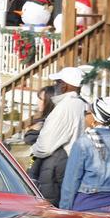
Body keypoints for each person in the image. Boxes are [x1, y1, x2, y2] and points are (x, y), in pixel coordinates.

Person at [59, 97, 110, 213]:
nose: (85, 116)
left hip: (86, 207)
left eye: (87, 112)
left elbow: (71, 183)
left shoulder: (83, 142)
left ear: (94, 116)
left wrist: (64, 212)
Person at [29, 67, 87, 206]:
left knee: (51, 212)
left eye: (57, 82)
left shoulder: (65, 107)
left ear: (64, 85)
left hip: (57, 170)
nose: (56, 86)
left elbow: (45, 146)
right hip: (71, 166)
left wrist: (33, 150)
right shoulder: (81, 104)